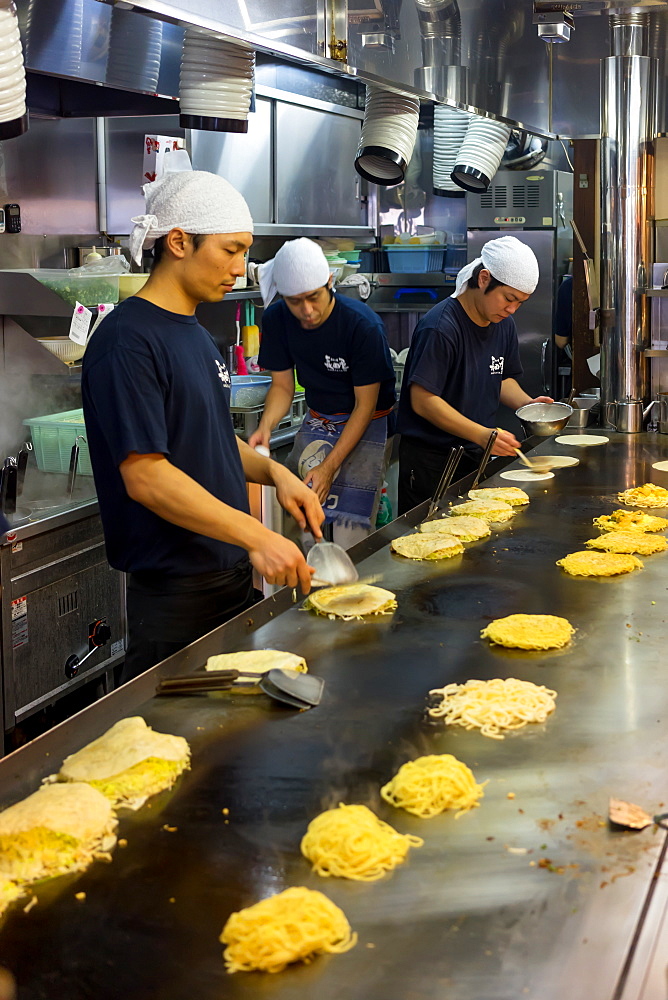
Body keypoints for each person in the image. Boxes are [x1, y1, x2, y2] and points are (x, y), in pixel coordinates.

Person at [82, 170, 324, 684]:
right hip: (175, 598)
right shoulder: (128, 339)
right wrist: (256, 534)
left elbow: (210, 436)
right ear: (178, 242)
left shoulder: (193, 333)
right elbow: (146, 474)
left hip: (228, 580)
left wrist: (275, 474)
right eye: (230, 250)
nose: (240, 269)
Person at [249, 238, 396, 547]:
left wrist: (329, 468)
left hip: (368, 422)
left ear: (330, 281)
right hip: (319, 419)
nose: (306, 310)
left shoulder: (361, 325)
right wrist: (266, 426)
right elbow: (282, 386)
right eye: (294, 301)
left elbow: (364, 406)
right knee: (299, 511)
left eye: (313, 297)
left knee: (351, 530)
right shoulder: (277, 319)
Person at [396, 235, 553, 514]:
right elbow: (423, 400)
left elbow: (500, 377)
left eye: (520, 303)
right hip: (432, 462)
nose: (512, 309)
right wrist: (483, 435)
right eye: (509, 298)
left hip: (474, 456)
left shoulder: (502, 323)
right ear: (483, 279)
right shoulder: (441, 328)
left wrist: (528, 405)